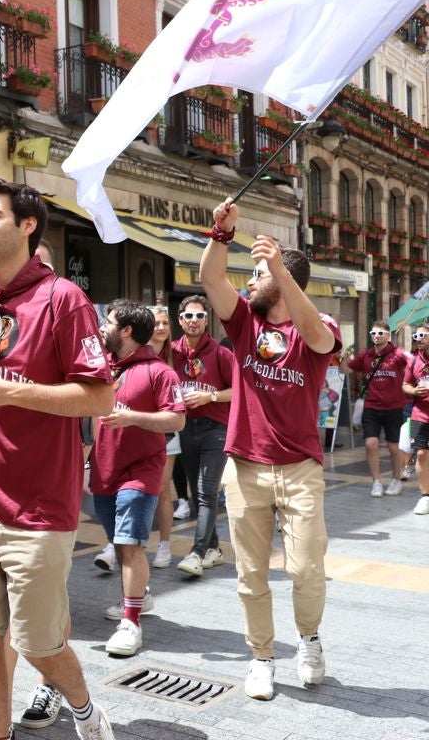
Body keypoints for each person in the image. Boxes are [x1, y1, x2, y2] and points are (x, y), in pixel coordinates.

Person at [0, 178, 117, 740]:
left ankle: (85, 708)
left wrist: (10, 390)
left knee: (39, 643)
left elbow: (100, 397)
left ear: (27, 226)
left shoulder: (63, 299)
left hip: (39, 511)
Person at [200, 199, 341, 701]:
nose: (249, 282)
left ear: (285, 280)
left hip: (300, 468)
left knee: (306, 568)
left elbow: (319, 341)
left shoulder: (314, 322)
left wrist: (280, 269)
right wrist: (221, 233)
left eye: (258, 274)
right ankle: (262, 658)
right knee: (250, 573)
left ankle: (308, 639)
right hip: (245, 466)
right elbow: (212, 280)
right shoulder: (243, 322)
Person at [90, 300, 185, 658]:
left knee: (129, 545)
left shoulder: (160, 372)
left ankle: (130, 622)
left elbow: (176, 421)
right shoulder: (101, 365)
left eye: (108, 321)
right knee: (117, 542)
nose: (102, 326)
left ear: (126, 331)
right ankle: (140, 596)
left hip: (141, 472)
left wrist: (133, 418)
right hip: (104, 469)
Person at [170, 294, 235, 578]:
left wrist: (210, 396)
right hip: (186, 428)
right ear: (180, 320)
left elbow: (240, 390)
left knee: (206, 492)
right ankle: (214, 549)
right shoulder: (172, 352)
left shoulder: (221, 353)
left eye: (199, 316)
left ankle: (197, 552)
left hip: (216, 429)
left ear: (206, 320)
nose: (193, 321)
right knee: (198, 494)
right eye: (188, 316)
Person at [345, 321, 410, 497]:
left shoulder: (398, 354)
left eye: (380, 333)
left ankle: (396, 481)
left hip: (394, 407)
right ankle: (376, 482)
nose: (376, 336)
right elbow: (345, 370)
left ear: (388, 335)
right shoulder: (365, 356)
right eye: (373, 333)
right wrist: (341, 356)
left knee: (393, 447)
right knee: (370, 444)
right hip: (371, 407)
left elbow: (414, 361)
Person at [147, 305, 181, 569]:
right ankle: (114, 544)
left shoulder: (176, 355)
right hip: (138, 429)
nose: (160, 328)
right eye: (155, 323)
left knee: (162, 490)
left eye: (164, 324)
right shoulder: (135, 352)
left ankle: (164, 545)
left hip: (169, 430)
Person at [401, 324, 429, 516]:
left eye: (422, 335)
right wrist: (413, 391)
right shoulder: (413, 361)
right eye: (416, 335)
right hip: (420, 414)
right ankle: (425, 496)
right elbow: (405, 384)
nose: (418, 338)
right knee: (420, 455)